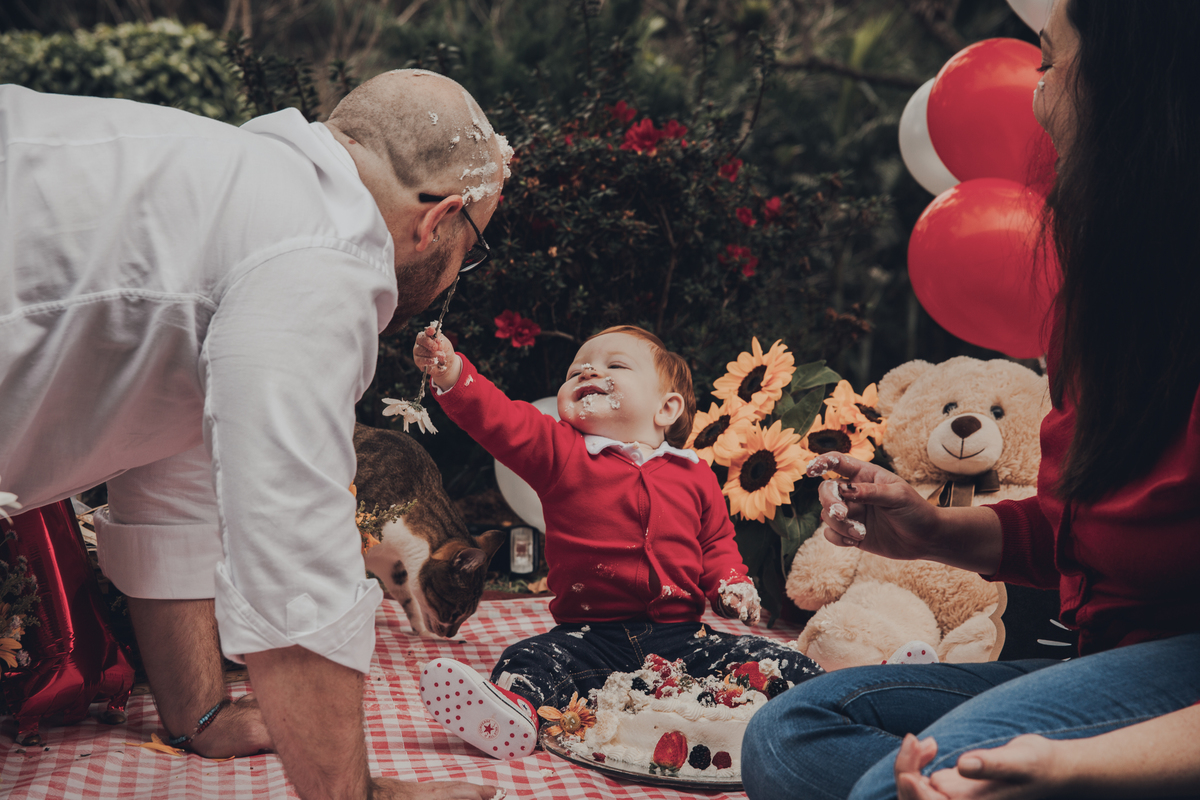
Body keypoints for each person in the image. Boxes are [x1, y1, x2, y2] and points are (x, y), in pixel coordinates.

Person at [0, 70, 511, 800]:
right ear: (439, 220)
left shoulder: (234, 197)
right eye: (474, 248)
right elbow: (295, 549)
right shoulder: (323, 255)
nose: (459, 272)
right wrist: (352, 794)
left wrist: (201, 717)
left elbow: (171, 486)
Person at [740, 2, 1200, 799]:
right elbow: (1088, 530)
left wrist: (1072, 769)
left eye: (1050, 61)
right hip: (1106, 665)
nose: (1034, 94)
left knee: (897, 788)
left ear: (1130, 81)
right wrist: (931, 529)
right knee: (786, 735)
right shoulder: (1119, 296)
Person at [410, 323, 822, 756]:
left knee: (771, 657)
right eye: (575, 372)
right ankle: (513, 716)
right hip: (589, 639)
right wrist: (453, 372)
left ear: (666, 408)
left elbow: (717, 542)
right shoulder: (559, 451)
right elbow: (500, 420)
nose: (588, 371)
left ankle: (829, 700)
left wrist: (731, 582)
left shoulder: (695, 474)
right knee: (527, 660)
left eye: (615, 365)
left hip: (682, 640)